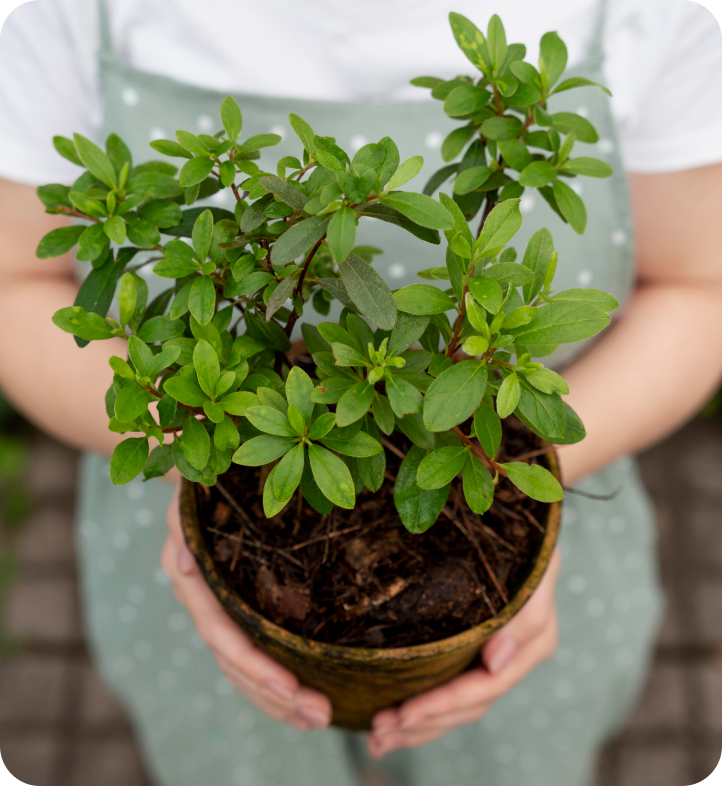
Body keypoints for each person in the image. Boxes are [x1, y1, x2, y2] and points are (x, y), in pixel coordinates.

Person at [1, 1, 721, 784]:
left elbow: (699, 286)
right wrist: (188, 449)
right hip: (202, 514)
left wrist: (523, 477)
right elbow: (15, 282)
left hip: (532, 501)